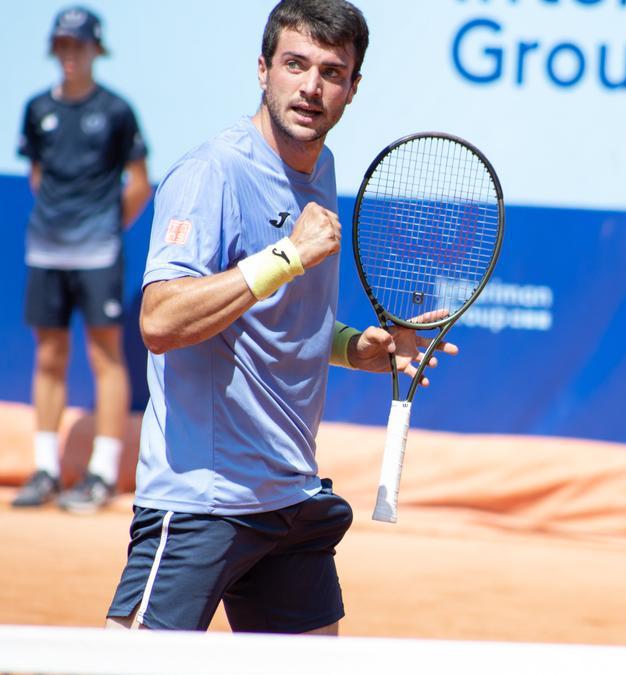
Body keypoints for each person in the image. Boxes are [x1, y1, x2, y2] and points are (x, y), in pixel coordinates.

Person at [104, 0, 458, 633]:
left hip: (289, 499)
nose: (310, 86)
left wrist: (359, 349)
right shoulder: (211, 173)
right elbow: (160, 321)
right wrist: (288, 254)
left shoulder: (320, 168)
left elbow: (277, 322)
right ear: (263, 70)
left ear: (352, 88)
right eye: (295, 64)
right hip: (202, 503)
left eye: (331, 71)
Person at [11, 6, 151, 513]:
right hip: (45, 249)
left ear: (96, 50)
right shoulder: (36, 110)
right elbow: (38, 178)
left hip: (98, 253)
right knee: (48, 355)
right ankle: (46, 468)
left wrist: (104, 231)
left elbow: (139, 184)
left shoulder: (116, 111)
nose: (70, 56)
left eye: (80, 46)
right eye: (63, 46)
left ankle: (102, 473)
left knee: (104, 357)